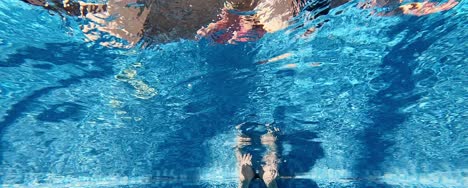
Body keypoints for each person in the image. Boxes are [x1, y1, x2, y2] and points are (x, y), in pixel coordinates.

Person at [21, 0, 459, 46]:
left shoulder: (287, 12)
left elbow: (362, 6)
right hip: (161, 22)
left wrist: (404, 10)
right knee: (118, 32)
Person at [235, 122, 288, 188]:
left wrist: (274, 166)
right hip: (248, 167)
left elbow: (273, 153)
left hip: (265, 166)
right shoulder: (241, 138)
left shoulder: (269, 138)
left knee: (270, 179)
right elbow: (238, 153)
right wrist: (242, 165)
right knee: (243, 180)